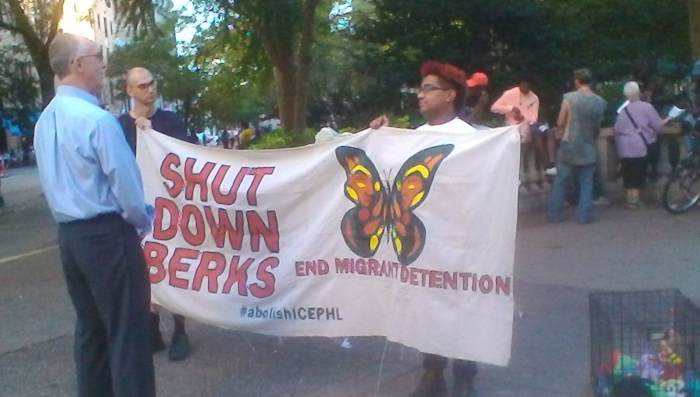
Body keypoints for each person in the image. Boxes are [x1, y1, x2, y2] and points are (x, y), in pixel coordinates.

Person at [371, 60, 530, 397]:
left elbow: (502, 164)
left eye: (428, 88)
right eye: (421, 88)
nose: (420, 95)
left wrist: (517, 136)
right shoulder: (412, 138)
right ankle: (432, 370)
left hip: (463, 243)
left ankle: (465, 373)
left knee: (463, 305)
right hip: (422, 244)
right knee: (426, 306)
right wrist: (379, 137)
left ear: (450, 94)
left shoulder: (472, 139)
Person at [33, 33, 155, 397]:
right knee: (128, 334)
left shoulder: (45, 121)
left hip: (70, 239)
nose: (103, 63)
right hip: (108, 235)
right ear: (77, 64)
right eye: (97, 56)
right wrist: (141, 222)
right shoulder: (97, 121)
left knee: (91, 332)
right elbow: (127, 188)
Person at [117, 66, 193, 361]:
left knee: (175, 267)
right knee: (146, 268)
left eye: (152, 83)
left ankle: (180, 331)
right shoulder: (120, 126)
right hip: (139, 208)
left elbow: (190, 156)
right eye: (143, 85)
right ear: (130, 91)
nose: (150, 89)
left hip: (174, 208)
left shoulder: (171, 122)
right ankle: (151, 329)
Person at [548, 69, 607, 224]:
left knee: (561, 180)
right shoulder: (600, 101)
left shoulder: (569, 98)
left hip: (570, 143)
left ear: (577, 81)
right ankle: (583, 215)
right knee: (587, 182)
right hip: (588, 144)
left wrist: (559, 130)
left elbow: (561, 122)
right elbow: (597, 126)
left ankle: (554, 214)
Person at [614, 82, 673, 209]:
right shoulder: (646, 107)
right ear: (638, 92)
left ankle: (629, 198)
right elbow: (658, 126)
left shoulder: (623, 110)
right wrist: (668, 118)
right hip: (639, 145)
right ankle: (635, 201)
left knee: (628, 171)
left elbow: (617, 128)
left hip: (624, 146)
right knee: (638, 171)